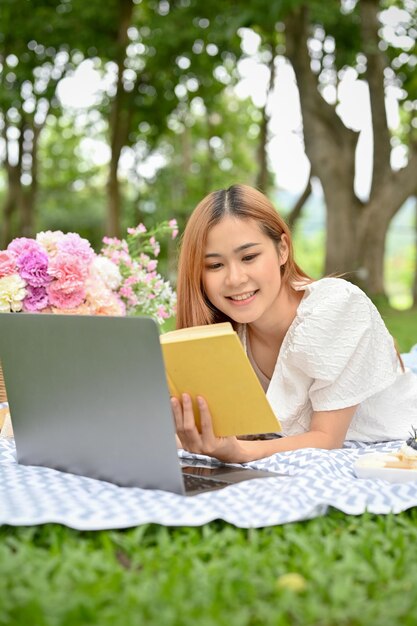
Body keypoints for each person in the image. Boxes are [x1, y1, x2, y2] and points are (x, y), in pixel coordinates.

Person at [171, 184, 417, 463]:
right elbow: (229, 432)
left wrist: (239, 453)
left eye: (249, 257)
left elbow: (326, 440)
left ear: (282, 249)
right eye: (215, 265)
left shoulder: (336, 306)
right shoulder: (226, 335)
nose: (235, 278)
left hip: (396, 437)